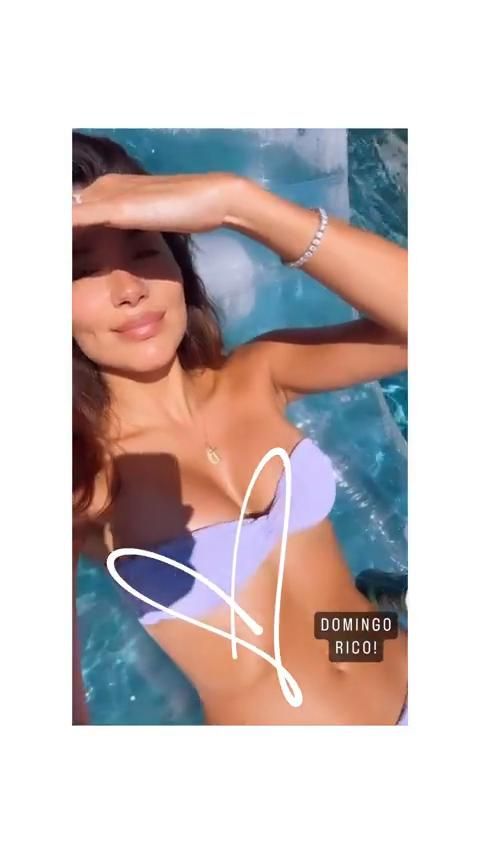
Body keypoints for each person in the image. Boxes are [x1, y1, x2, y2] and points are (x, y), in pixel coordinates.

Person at [72, 131, 408, 726]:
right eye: (81, 270)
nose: (130, 290)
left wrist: (240, 203)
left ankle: (385, 601)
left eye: (144, 250)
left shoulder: (257, 374)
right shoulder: (83, 478)